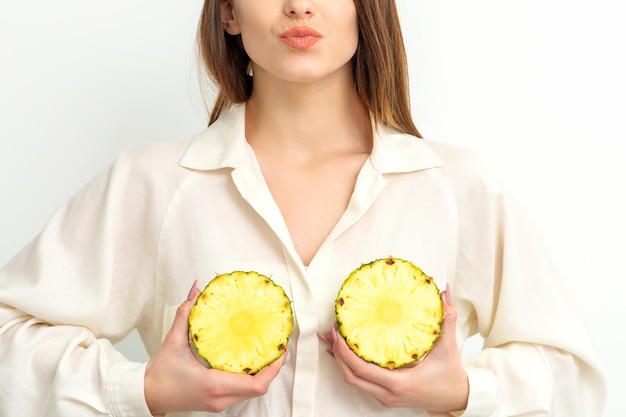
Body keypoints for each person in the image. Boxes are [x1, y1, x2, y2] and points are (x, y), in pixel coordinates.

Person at [0, 0, 605, 416]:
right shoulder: (151, 182)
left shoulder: (460, 188)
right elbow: (10, 337)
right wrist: (145, 389)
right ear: (230, 12)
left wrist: (465, 390)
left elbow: (575, 380)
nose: (298, 3)